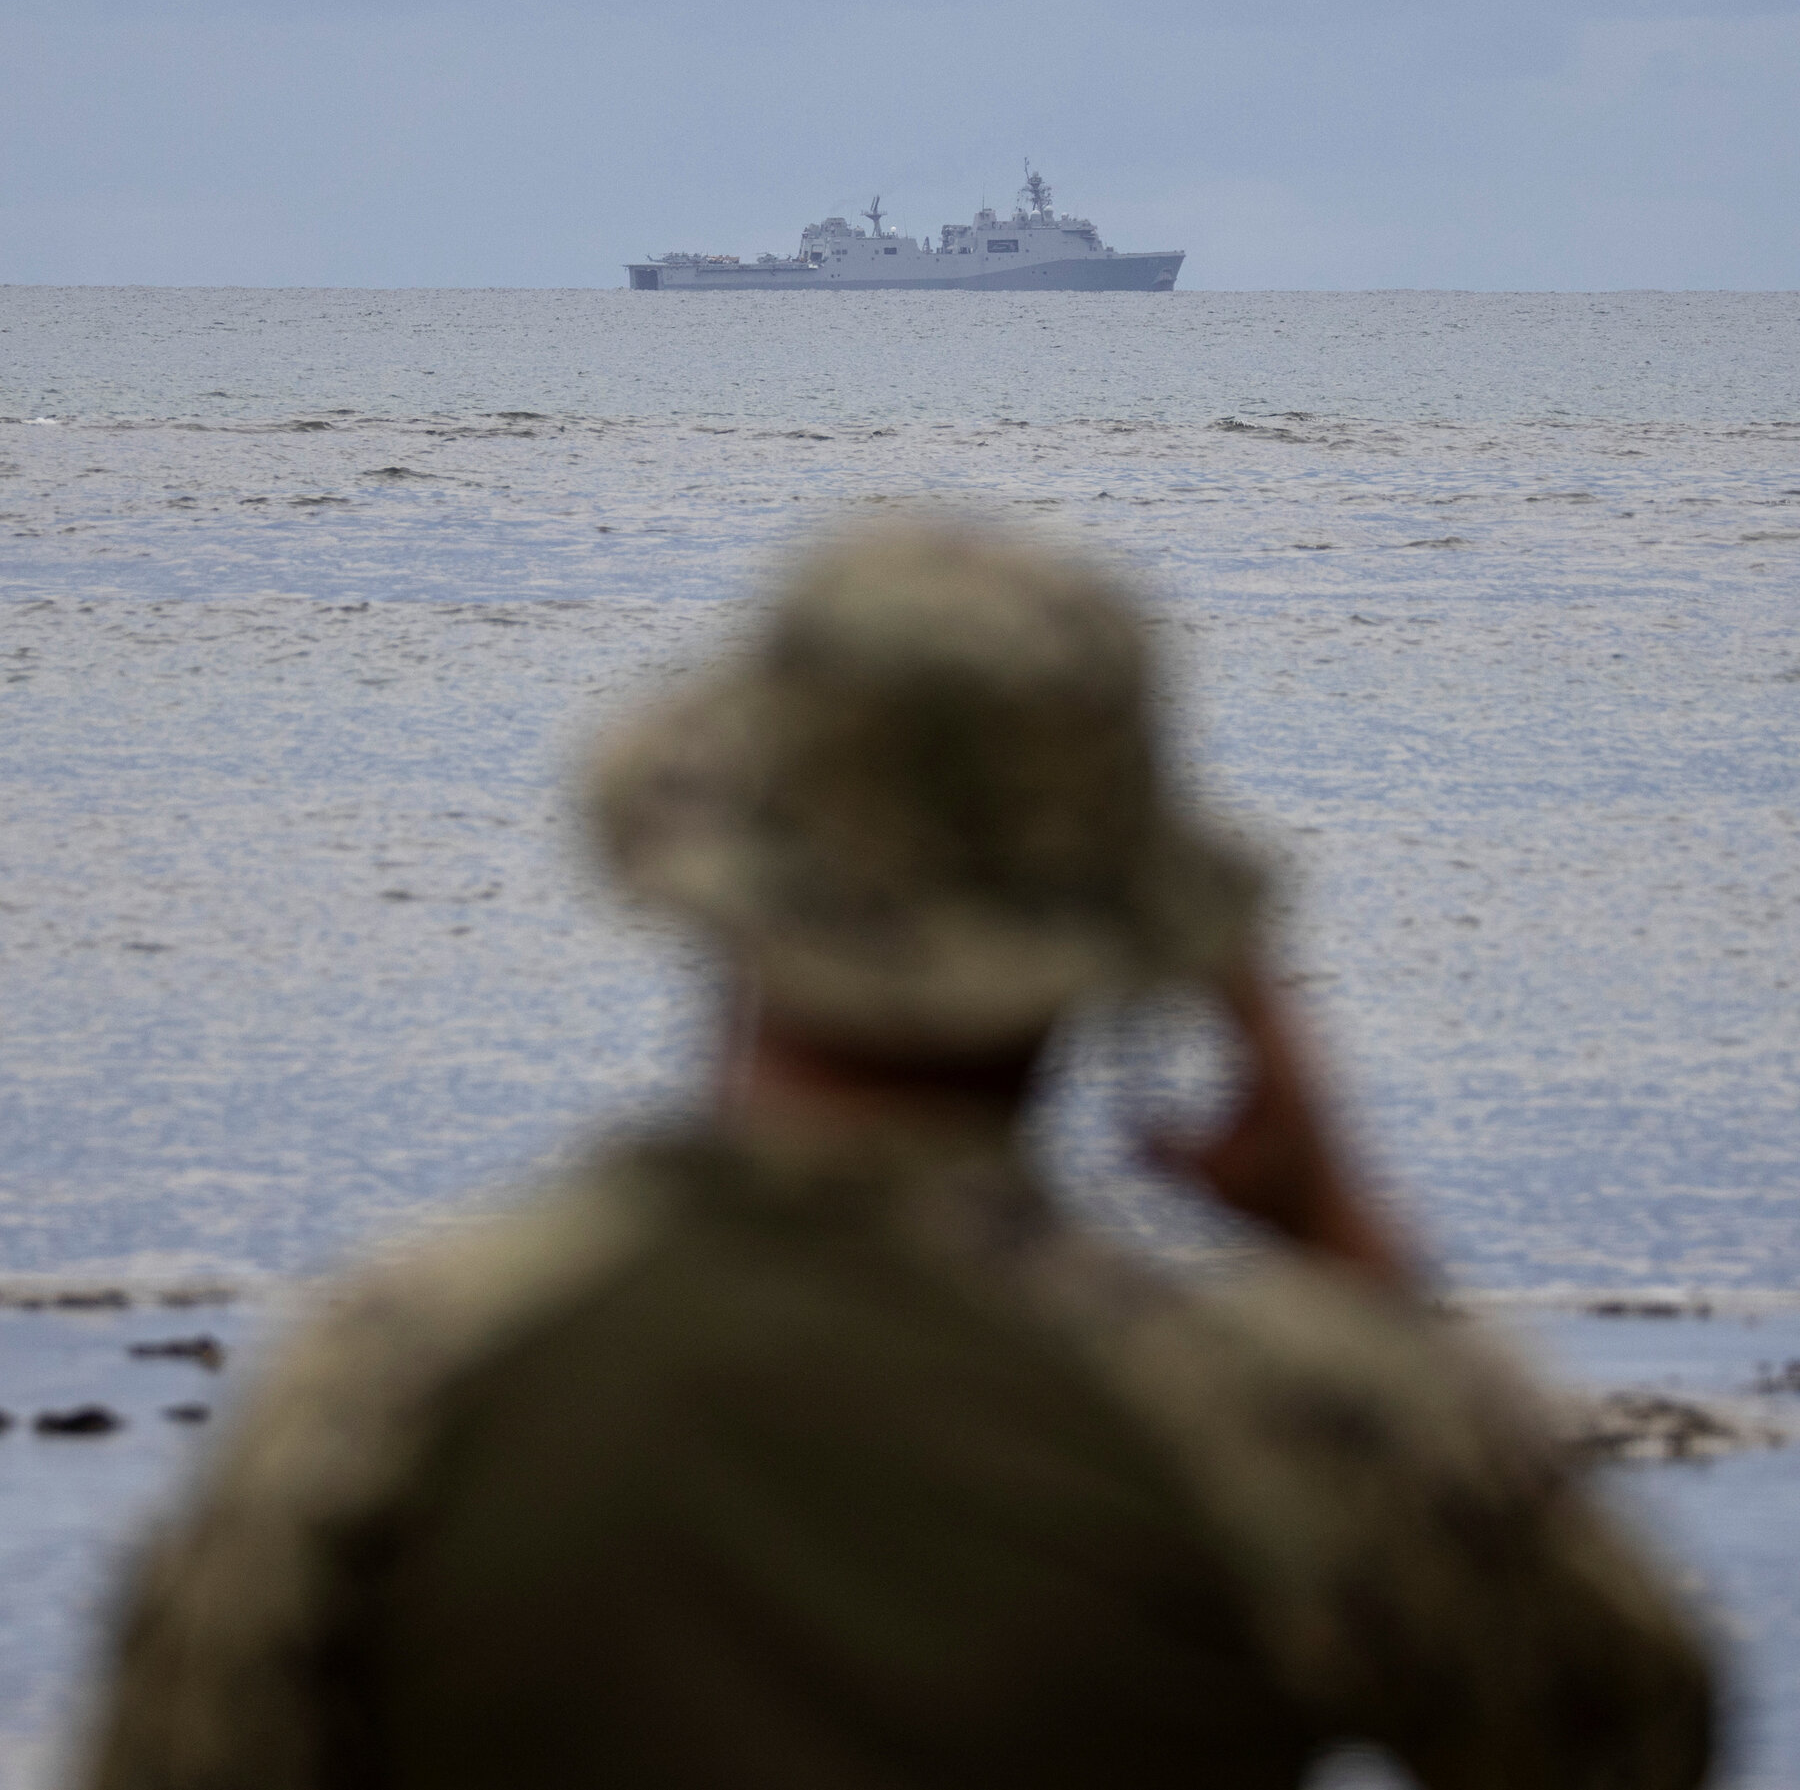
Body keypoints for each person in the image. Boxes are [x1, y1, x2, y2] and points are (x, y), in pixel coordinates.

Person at [79, 519, 1712, 1790]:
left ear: (718, 884)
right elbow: (1625, 1733)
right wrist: (1346, 1246)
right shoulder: (1274, 1410)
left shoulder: (402, 1368)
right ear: (1130, 938)